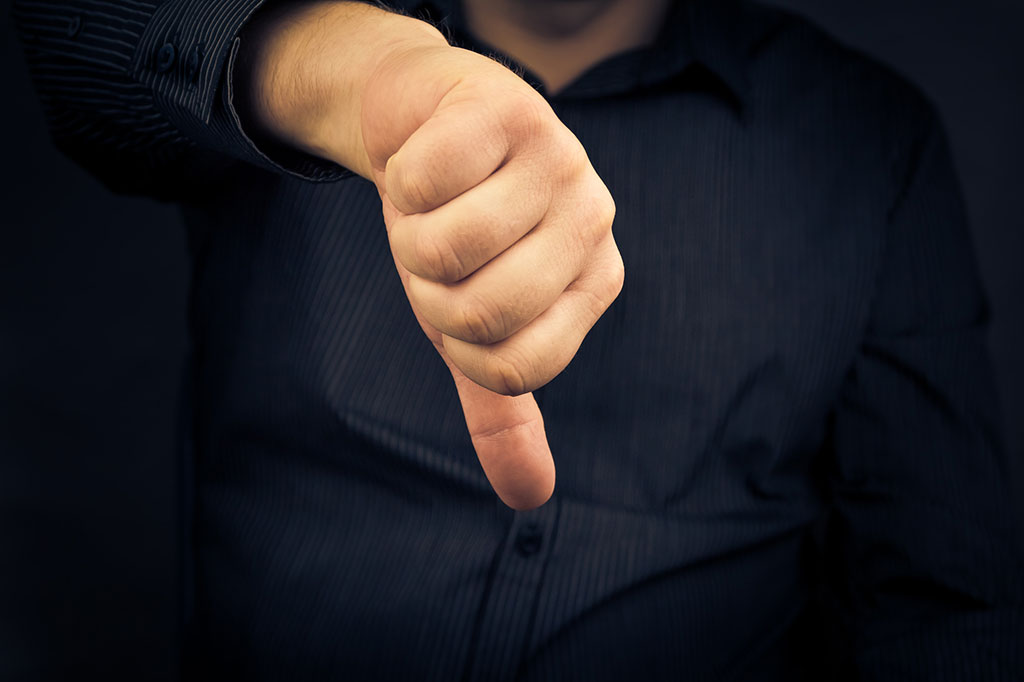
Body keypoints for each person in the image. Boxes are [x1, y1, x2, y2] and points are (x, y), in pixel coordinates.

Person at [12, 0, 1023, 678]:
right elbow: (74, 40)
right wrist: (348, 74)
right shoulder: (304, 52)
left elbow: (943, 602)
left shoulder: (865, 139)